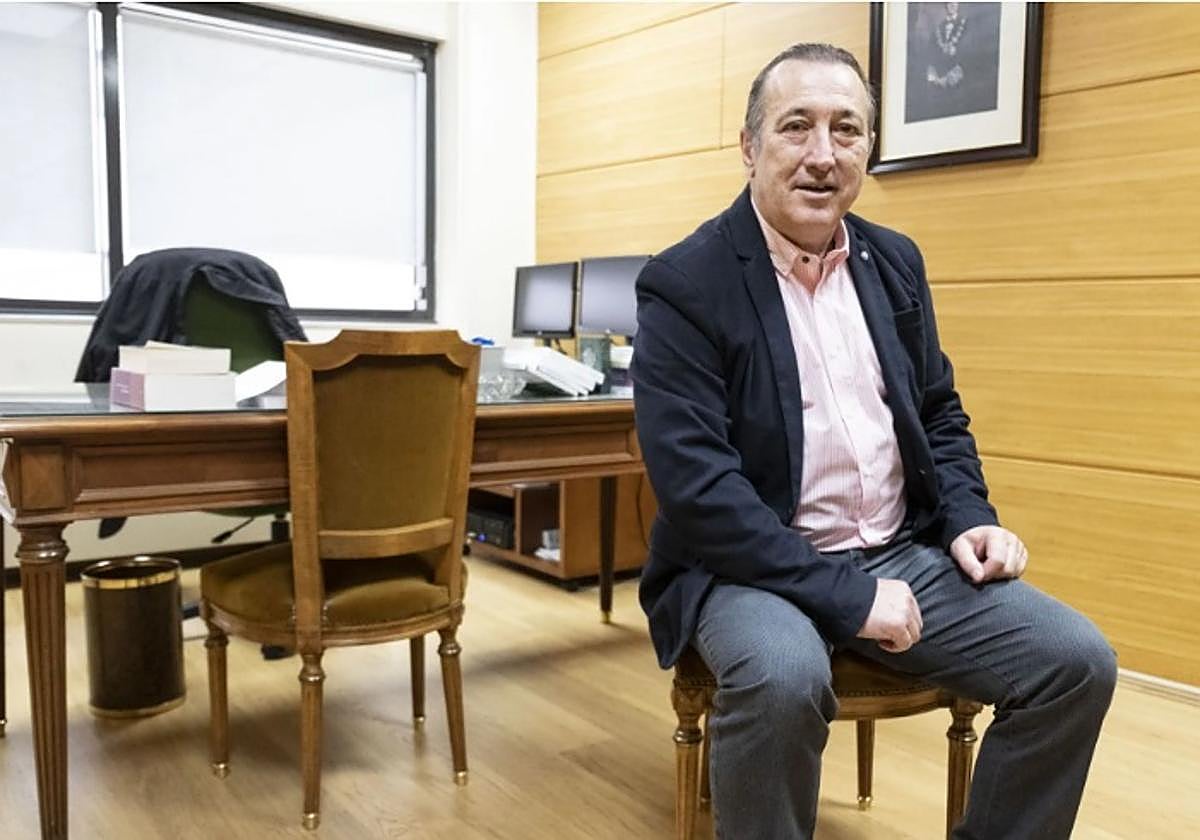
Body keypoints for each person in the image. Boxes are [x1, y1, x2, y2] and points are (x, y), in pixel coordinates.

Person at [632, 43, 1115, 840]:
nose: (823, 154)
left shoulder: (894, 262)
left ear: (869, 147)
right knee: (783, 676)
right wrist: (849, 598)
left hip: (897, 552)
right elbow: (698, 492)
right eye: (797, 126)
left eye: (847, 129)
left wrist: (969, 518)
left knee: (1076, 662)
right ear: (749, 145)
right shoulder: (686, 283)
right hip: (750, 567)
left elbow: (938, 412)